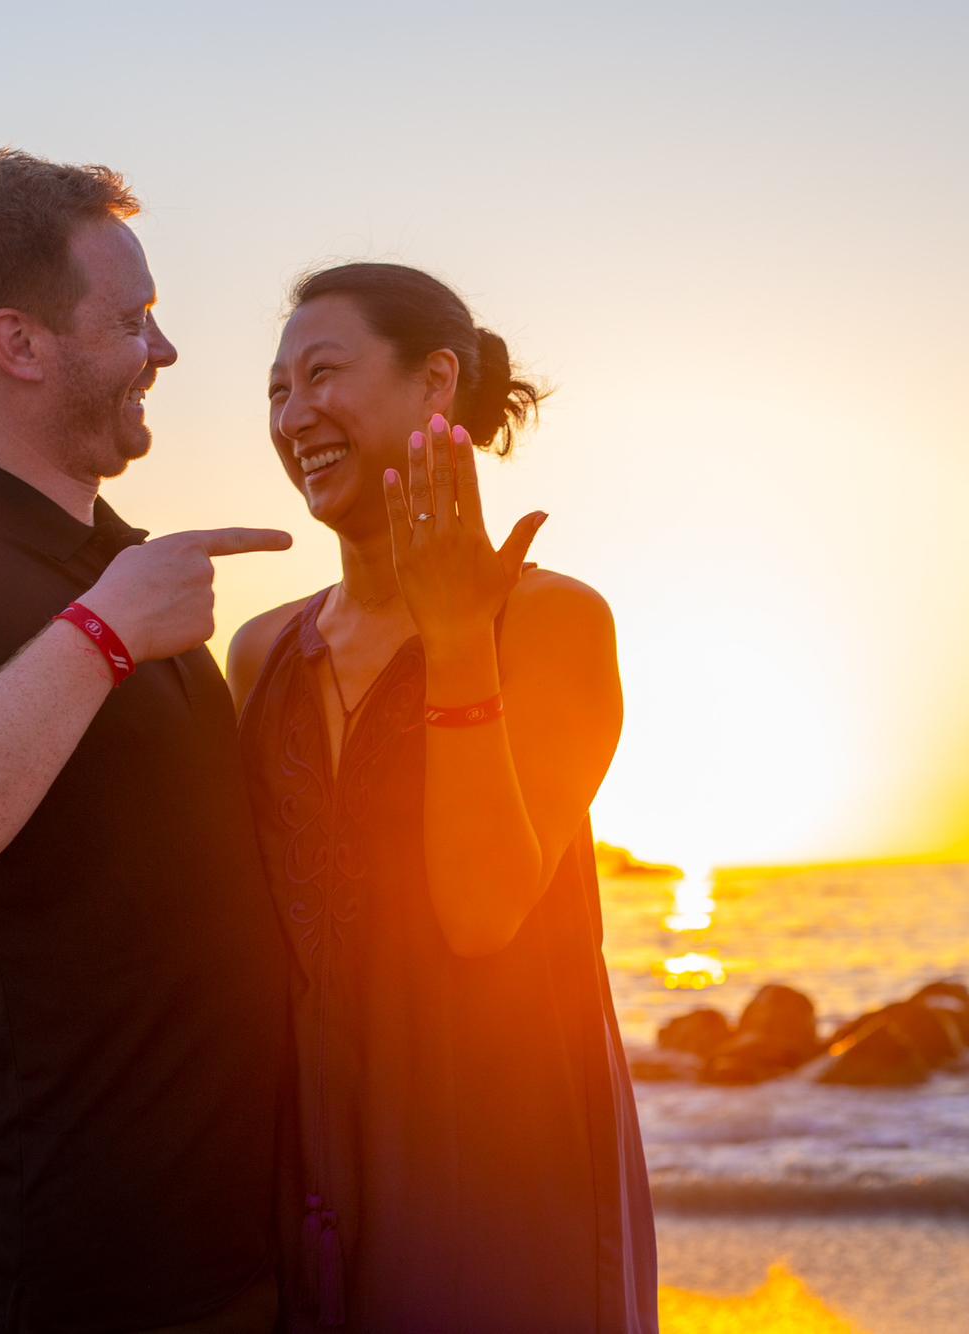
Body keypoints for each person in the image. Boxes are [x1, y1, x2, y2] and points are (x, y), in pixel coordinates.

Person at [0, 148, 292, 1334]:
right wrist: (102, 633)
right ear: (18, 344)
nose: (162, 351)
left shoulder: (113, 562)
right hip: (49, 1274)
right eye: (130, 320)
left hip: (215, 1253)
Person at [228, 263, 660, 1332]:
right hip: (303, 1178)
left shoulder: (550, 623)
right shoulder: (260, 653)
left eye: (321, 373)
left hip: (504, 1179)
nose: (292, 415)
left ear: (434, 383)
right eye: (276, 390)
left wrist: (458, 638)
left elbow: (480, 910)